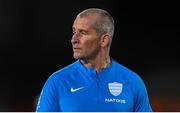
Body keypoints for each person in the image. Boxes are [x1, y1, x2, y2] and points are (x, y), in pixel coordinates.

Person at [36, 8, 152, 112]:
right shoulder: (57, 81)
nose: (74, 39)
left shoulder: (133, 82)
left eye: (82, 32)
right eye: (74, 31)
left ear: (104, 40)